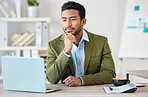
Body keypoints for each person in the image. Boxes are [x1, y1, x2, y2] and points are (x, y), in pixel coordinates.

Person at [46, 1, 116, 87]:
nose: (68, 24)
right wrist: (65, 52)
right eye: (64, 20)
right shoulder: (53, 45)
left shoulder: (101, 42)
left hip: (93, 91)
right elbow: (51, 79)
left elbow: (110, 74)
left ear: (83, 22)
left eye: (73, 19)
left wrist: (81, 80)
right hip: (65, 93)